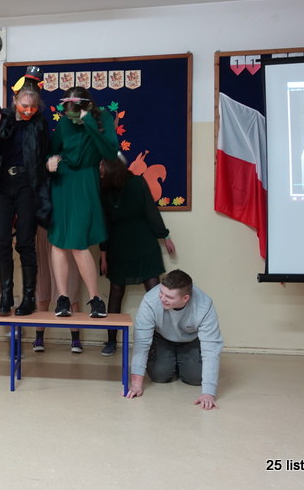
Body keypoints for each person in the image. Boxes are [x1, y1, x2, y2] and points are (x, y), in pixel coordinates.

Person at [0, 66, 50, 317]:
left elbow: (44, 153)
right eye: (24, 105)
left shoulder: (40, 123)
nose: (28, 110)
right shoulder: (2, 117)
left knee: (24, 242)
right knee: (1, 241)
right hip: (4, 185)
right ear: (14, 101)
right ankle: (6, 294)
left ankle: (29, 297)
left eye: (33, 107)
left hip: (27, 185)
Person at [46, 86, 118, 319]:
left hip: (86, 180)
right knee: (58, 241)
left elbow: (110, 151)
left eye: (75, 114)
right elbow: (51, 150)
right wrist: (50, 161)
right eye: (68, 114)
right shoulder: (65, 123)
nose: (71, 118)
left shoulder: (103, 118)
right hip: (63, 181)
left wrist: (88, 122)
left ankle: (96, 299)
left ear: (86, 107)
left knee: (78, 242)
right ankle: (63, 298)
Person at [99, 155, 176, 356]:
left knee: (156, 293)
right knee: (116, 290)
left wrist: (165, 236)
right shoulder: (104, 190)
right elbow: (104, 224)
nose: (100, 170)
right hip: (118, 244)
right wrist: (103, 254)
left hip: (143, 241)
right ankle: (111, 341)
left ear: (111, 167)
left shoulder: (137, 182)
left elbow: (151, 211)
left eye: (102, 166)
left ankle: (162, 341)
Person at [126, 269, 223, 410]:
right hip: (162, 338)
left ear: (185, 298)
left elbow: (211, 348)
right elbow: (141, 342)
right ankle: (171, 360)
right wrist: (136, 385)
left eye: (169, 297)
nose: (162, 298)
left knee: (195, 378)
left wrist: (209, 393)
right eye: (161, 292)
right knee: (160, 375)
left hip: (191, 340)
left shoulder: (204, 305)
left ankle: (181, 360)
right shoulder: (150, 300)